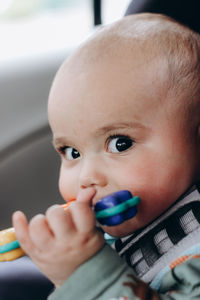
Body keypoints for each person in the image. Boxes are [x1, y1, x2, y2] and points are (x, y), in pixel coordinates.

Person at [13, 13, 200, 299]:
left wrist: (88, 273)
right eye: (72, 152)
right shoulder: (106, 238)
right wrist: (69, 274)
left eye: (121, 144)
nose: (87, 177)